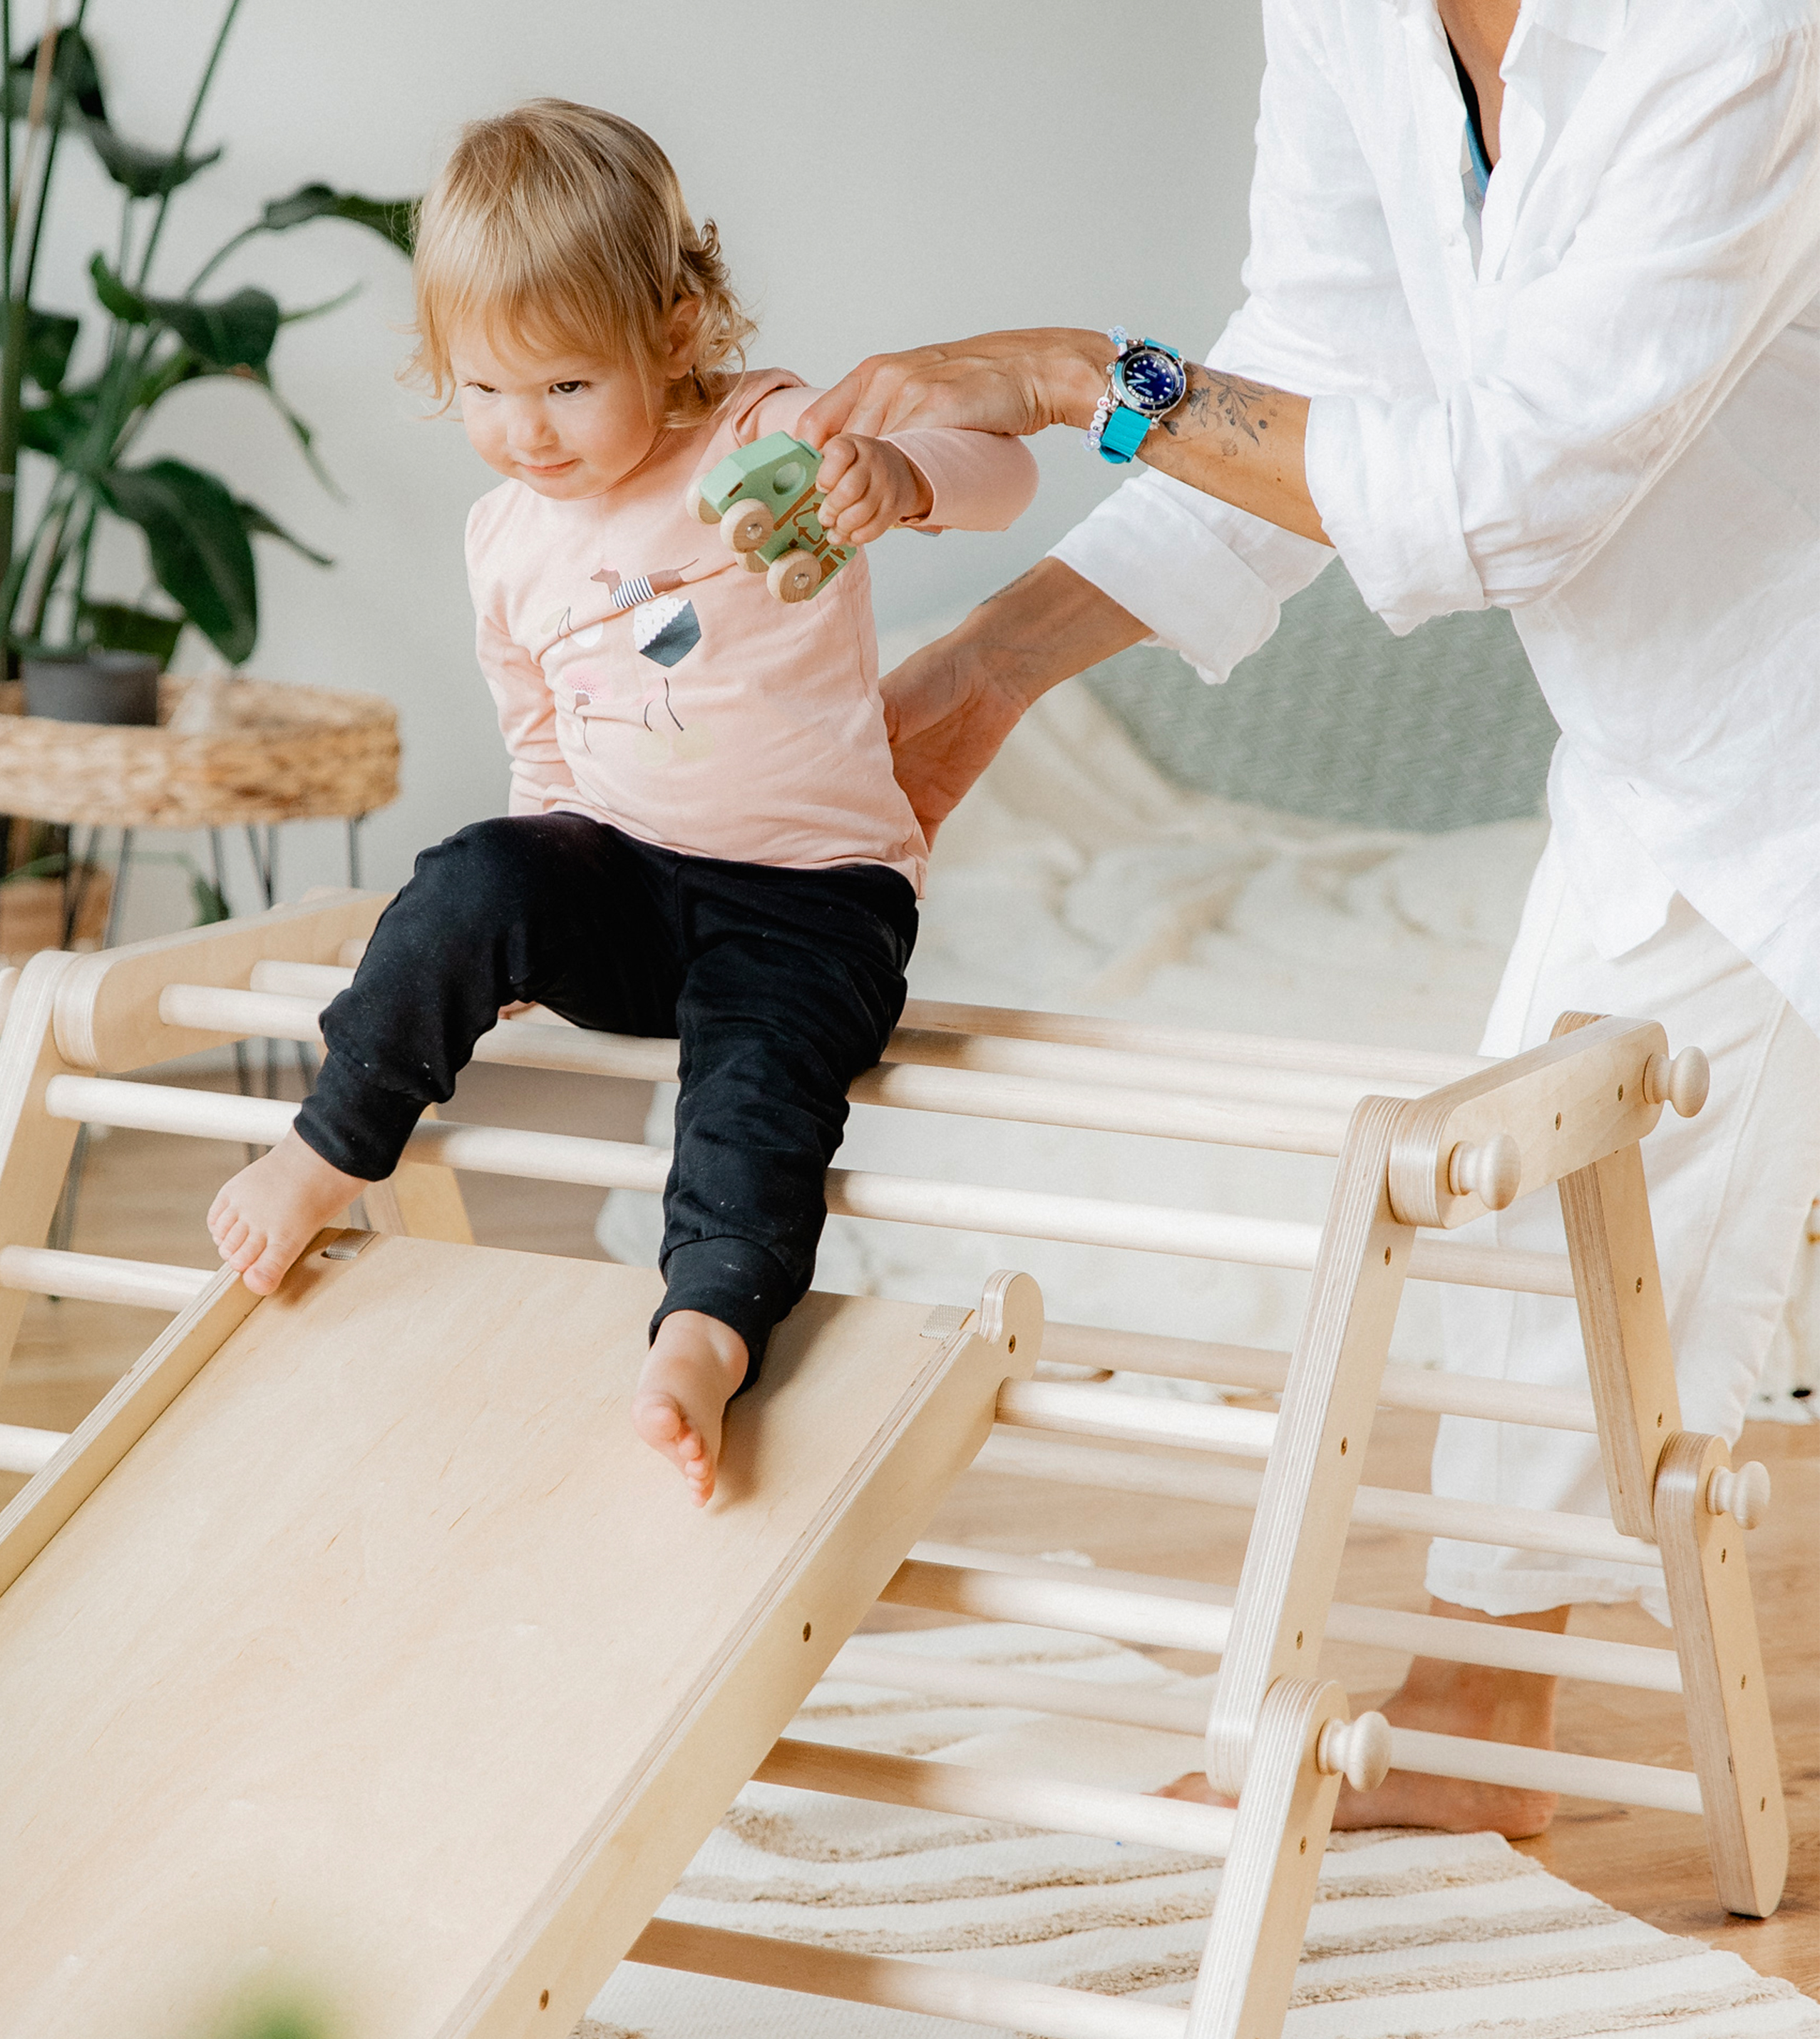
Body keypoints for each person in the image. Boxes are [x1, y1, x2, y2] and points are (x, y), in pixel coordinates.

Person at [795, 0, 1820, 1833]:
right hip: (1678, 742)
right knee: (1561, 1231)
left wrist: (1068, 371)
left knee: (1604, 1226)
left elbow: (1491, 498)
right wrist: (979, 679)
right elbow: (1317, 366)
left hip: (1783, 711)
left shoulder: (1738, 26)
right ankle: (1484, 1718)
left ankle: (1494, 1715)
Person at [206, 100, 1036, 1506]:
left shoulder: (770, 435)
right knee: (470, 874)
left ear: (673, 332)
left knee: (756, 1097)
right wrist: (525, 908)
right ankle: (330, 1143)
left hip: (814, 895)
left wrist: (895, 480)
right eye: (484, 390)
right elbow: (541, 733)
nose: (523, 432)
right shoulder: (505, 536)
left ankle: (704, 1335)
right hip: (629, 877)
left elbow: (1006, 475)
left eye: (568, 388)